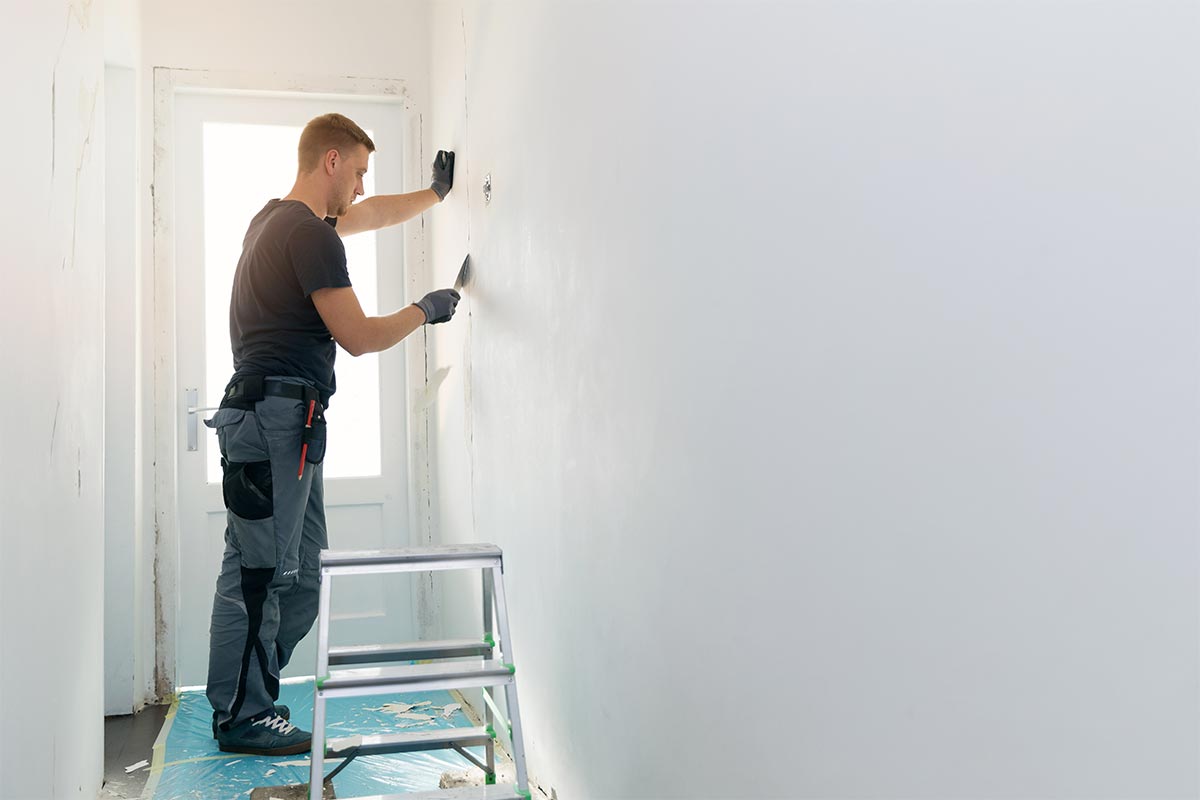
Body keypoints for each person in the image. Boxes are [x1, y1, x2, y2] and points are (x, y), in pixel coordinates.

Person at [204, 112, 460, 755]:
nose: (362, 188)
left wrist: (435, 197)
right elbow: (360, 336)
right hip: (272, 419)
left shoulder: (277, 221)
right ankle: (240, 714)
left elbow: (366, 218)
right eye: (360, 173)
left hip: (290, 419)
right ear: (332, 162)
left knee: (303, 576)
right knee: (258, 572)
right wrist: (426, 310)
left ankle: (254, 687)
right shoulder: (308, 235)